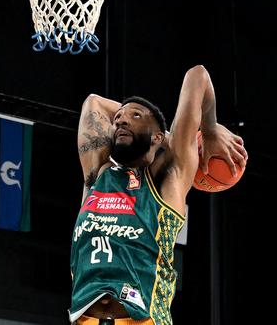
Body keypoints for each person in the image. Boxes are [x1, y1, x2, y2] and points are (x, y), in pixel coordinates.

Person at [69, 65, 248, 325]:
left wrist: (208, 128)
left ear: (154, 137)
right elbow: (93, 103)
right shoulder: (96, 176)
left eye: (135, 115)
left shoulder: (168, 179)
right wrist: (154, 129)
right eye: (118, 117)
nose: (120, 119)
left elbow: (197, 76)